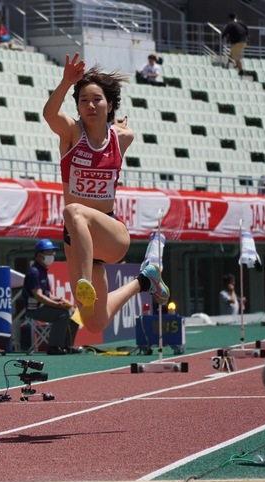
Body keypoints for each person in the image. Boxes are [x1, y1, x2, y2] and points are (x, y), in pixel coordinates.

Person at [42, 53, 169, 333]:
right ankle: (145, 281)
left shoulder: (122, 138)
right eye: (83, 100)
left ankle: (83, 282)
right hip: (76, 240)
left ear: (109, 105)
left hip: (111, 234)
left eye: (97, 99)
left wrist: (118, 127)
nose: (90, 105)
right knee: (94, 324)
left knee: (73, 210)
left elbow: (125, 131)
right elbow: (49, 115)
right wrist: (66, 82)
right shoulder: (72, 133)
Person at [21, 239, 78, 355]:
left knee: (75, 312)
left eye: (52, 252)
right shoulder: (34, 272)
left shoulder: (42, 270)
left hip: (43, 307)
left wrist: (61, 300)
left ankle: (66, 346)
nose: (52, 255)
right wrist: (57, 305)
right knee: (63, 314)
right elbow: (39, 296)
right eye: (48, 252)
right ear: (39, 254)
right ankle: (54, 347)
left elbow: (47, 294)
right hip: (34, 309)